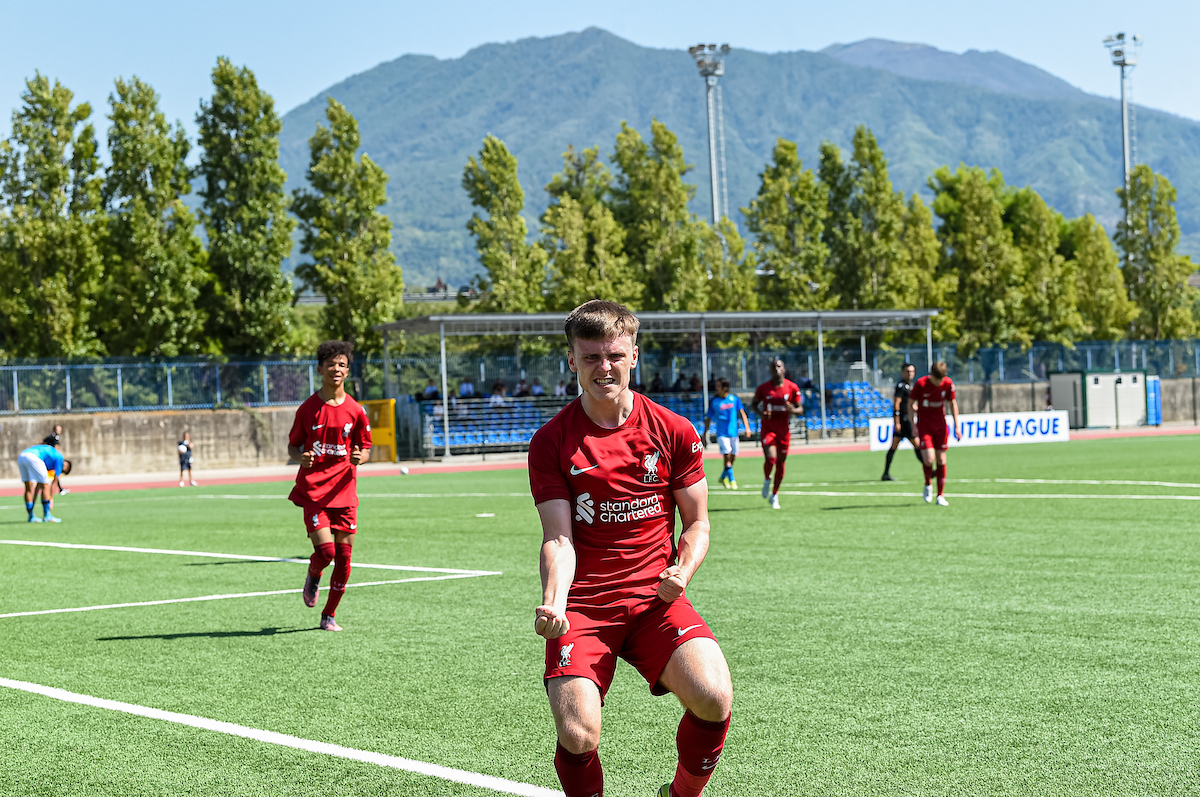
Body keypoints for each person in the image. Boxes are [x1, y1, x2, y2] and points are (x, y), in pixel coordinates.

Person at [528, 300, 732, 797]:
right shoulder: (551, 441)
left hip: (655, 600)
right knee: (578, 735)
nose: (605, 367)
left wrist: (683, 570)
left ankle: (681, 794)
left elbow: (698, 523)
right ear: (572, 361)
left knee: (714, 696)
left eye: (615, 355)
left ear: (634, 355)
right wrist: (555, 602)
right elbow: (559, 538)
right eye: (591, 357)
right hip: (585, 606)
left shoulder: (673, 430)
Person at [287, 340, 373, 632]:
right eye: (331, 364)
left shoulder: (356, 410)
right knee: (326, 553)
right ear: (320, 368)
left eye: (342, 364)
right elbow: (293, 447)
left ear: (347, 371)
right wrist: (302, 458)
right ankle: (313, 573)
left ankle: (329, 615)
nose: (336, 369)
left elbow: (366, 447)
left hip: (345, 492)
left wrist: (361, 457)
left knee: (345, 557)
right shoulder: (308, 409)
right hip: (315, 491)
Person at [752, 357, 803, 509]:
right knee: (771, 458)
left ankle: (774, 495)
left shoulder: (792, 387)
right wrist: (762, 415)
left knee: (781, 463)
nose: (776, 369)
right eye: (774, 367)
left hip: (784, 431)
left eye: (779, 366)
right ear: (770, 370)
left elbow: (800, 409)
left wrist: (792, 409)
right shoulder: (763, 388)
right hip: (768, 429)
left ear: (784, 369)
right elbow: (754, 405)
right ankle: (767, 479)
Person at [910, 361, 961, 506]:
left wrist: (957, 426)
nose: (939, 383)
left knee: (941, 460)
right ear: (931, 375)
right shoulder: (921, 384)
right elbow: (910, 402)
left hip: (941, 427)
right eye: (936, 379)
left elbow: (952, 403)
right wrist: (913, 424)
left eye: (941, 379)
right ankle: (928, 484)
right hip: (925, 426)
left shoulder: (948, 383)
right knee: (929, 459)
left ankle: (940, 496)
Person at [704, 378, 751, 490]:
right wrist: (705, 434)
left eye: (718, 386)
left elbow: (742, 413)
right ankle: (732, 479)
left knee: (733, 456)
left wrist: (747, 428)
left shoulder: (734, 399)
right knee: (727, 453)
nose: (716, 388)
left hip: (733, 432)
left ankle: (723, 476)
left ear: (725, 387)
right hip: (721, 433)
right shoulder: (714, 401)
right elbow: (708, 418)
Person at [881, 363, 923, 481]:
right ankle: (928, 468)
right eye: (908, 371)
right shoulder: (901, 386)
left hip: (906, 419)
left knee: (894, 446)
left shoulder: (909, 386)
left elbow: (908, 405)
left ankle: (885, 473)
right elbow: (897, 404)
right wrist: (897, 422)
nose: (911, 374)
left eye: (912, 371)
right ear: (903, 372)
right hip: (904, 421)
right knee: (917, 444)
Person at [18, 442, 71, 523]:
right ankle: (47, 515)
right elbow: (55, 481)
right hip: (33, 457)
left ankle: (31, 516)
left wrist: (34, 500)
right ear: (66, 465)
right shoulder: (60, 459)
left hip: (22, 456)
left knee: (28, 486)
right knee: (46, 485)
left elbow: (39, 485)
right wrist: (51, 499)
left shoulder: (48, 460)